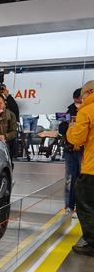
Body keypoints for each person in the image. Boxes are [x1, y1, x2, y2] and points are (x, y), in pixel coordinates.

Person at [68, 80, 94, 256]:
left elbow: (77, 138)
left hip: (92, 169)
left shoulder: (87, 110)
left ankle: (92, 243)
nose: (81, 99)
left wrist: (71, 129)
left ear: (89, 92)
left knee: (86, 205)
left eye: (82, 95)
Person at [58, 88, 83, 217]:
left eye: (79, 101)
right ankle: (69, 207)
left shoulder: (89, 111)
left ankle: (82, 207)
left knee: (83, 179)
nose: (77, 103)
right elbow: (61, 129)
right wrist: (68, 124)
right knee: (70, 178)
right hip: (69, 149)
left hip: (84, 151)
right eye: (75, 101)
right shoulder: (70, 110)